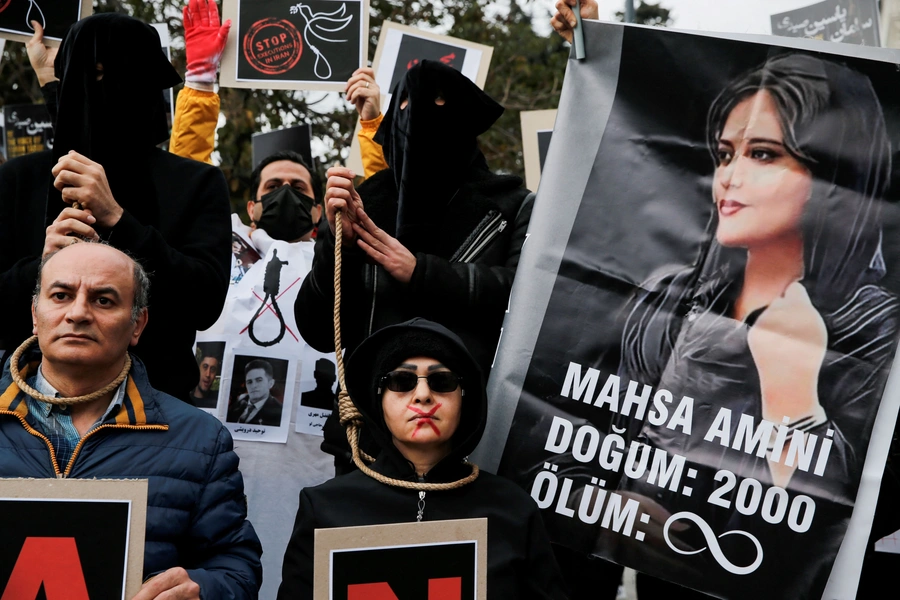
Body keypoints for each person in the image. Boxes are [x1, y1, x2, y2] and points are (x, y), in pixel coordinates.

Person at [613, 54, 898, 598]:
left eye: (763, 154)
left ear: (834, 177)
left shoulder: (878, 331)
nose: (730, 178)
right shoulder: (667, 300)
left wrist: (795, 401)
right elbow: (591, 441)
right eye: (725, 154)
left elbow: (860, 514)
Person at [295, 60, 534, 472]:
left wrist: (423, 274)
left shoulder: (512, 204)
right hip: (366, 446)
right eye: (404, 105)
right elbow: (317, 327)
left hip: (479, 445)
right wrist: (339, 246)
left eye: (438, 102)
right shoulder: (364, 202)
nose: (419, 116)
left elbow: (528, 302)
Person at [0, 241, 261, 599]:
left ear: (138, 324)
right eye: (60, 295)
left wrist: (203, 590)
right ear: (34, 313)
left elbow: (236, 568)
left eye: (103, 300)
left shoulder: (200, 439)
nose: (78, 313)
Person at [0, 14, 232, 400]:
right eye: (91, 74)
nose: (104, 89)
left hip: (157, 408)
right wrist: (43, 267)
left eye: (118, 74)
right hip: (26, 406)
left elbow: (204, 302)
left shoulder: (195, 183)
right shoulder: (20, 180)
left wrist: (120, 220)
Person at [277, 318, 568, 599]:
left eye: (442, 381)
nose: (423, 394)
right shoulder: (326, 508)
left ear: (465, 397)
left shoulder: (513, 511)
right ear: (378, 399)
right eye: (401, 381)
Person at [228, 359, 284, 427]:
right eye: (249, 382)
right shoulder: (240, 402)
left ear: (270, 383)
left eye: (259, 380)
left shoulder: (279, 412)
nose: (253, 386)